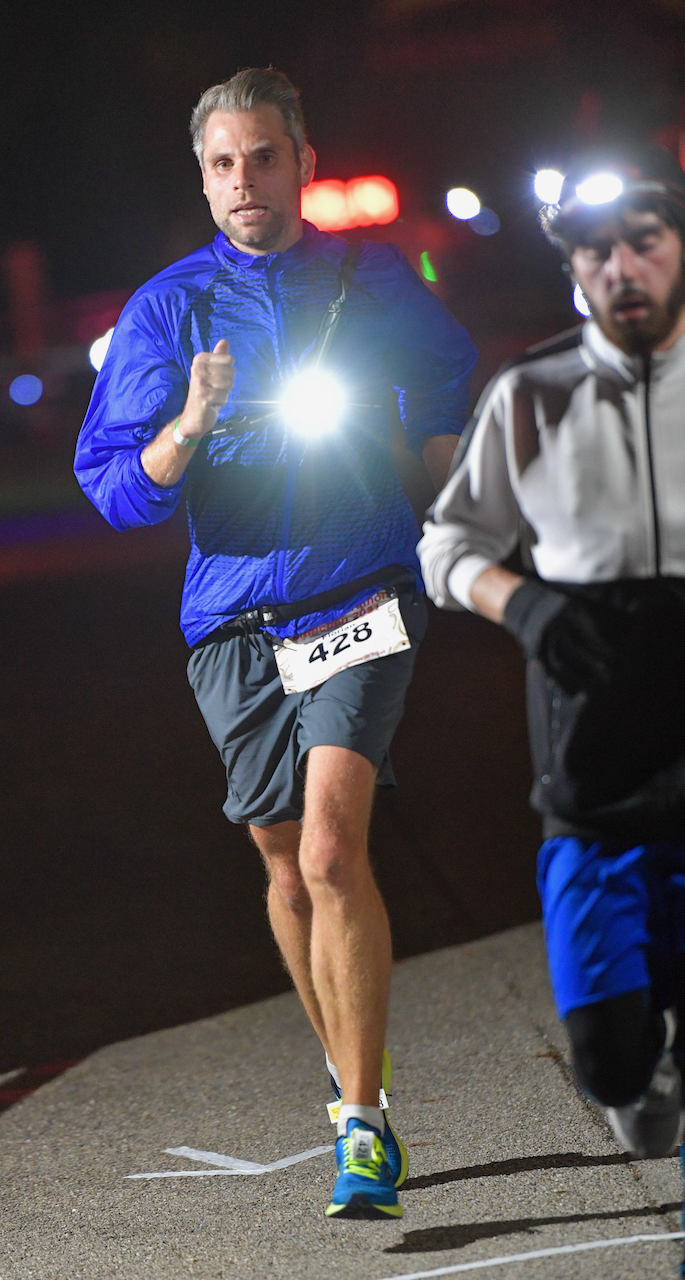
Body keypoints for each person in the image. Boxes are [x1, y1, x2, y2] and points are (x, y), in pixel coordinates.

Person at [75, 67, 476, 1220]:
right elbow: (113, 489)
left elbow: (445, 365)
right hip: (232, 617)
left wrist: (430, 452)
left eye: (261, 157)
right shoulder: (165, 309)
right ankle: (358, 1071)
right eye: (220, 163)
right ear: (200, 179)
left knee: (330, 851)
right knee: (277, 854)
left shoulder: (366, 273)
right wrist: (190, 423)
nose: (242, 180)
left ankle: (360, 1123)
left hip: (354, 584)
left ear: (302, 162)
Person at [418, 147, 685, 1182]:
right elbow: (445, 545)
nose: (618, 266)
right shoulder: (529, 391)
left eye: (642, 242)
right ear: (570, 271)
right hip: (595, 785)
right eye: (591, 253)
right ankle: (637, 1077)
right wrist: (519, 600)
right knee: (608, 1061)